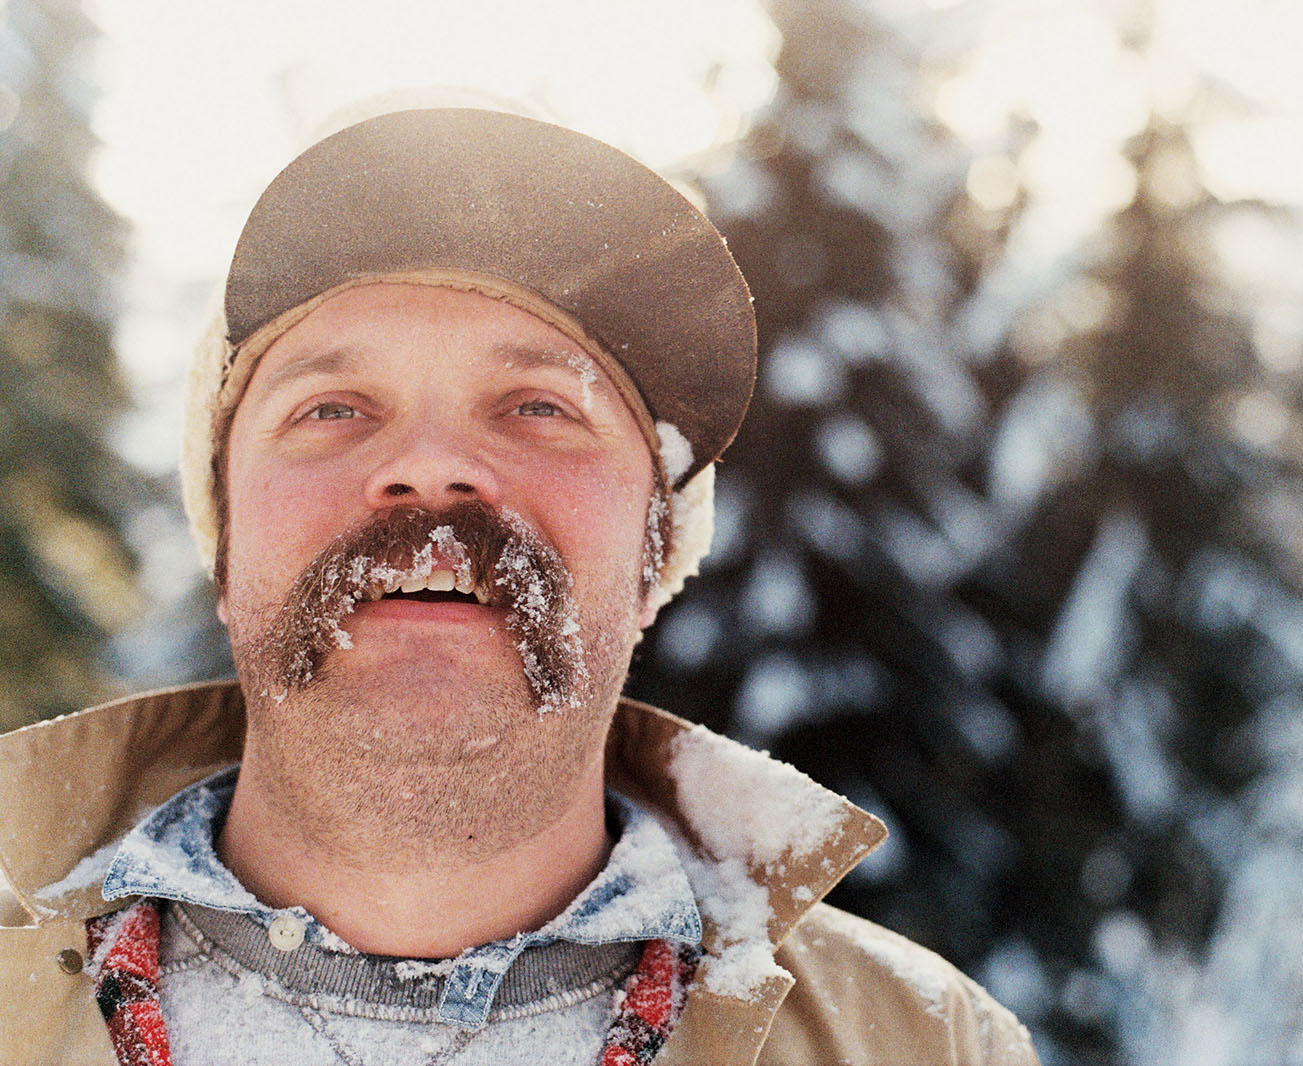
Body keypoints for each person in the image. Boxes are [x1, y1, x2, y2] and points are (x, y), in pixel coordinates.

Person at [0, 105, 1039, 1066]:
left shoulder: (928, 1044)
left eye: (537, 405)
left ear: (652, 554)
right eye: (334, 407)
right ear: (227, 552)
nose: (431, 465)